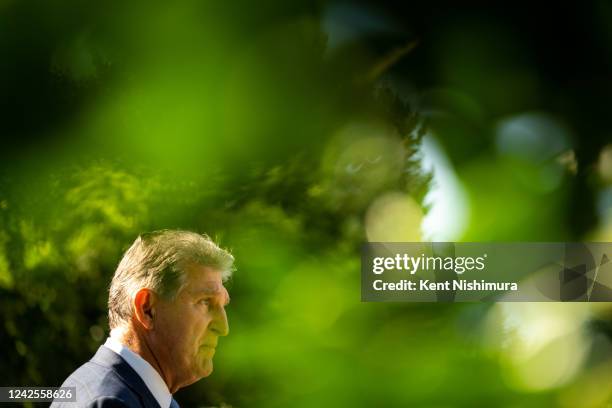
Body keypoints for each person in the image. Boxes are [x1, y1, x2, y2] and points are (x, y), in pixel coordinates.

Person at [51, 230, 233, 408]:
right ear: (147, 309)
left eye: (222, 305)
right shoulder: (111, 402)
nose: (223, 327)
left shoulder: (143, 396)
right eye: (205, 302)